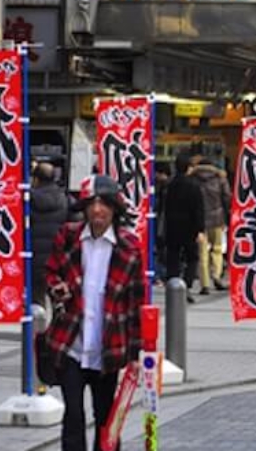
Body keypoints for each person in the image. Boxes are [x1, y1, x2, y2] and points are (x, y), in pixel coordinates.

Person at [38, 176, 146, 451]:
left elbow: (136, 304)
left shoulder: (129, 247)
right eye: (92, 204)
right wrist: (57, 288)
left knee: (106, 416)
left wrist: (136, 354)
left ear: (114, 208)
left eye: (104, 204)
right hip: (71, 341)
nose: (98, 210)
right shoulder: (69, 236)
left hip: (108, 346)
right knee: (73, 413)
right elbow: (50, 271)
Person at [162, 153, 204, 300]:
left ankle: (172, 285)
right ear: (188, 168)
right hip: (190, 227)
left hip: (172, 226)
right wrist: (200, 229)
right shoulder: (194, 186)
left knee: (173, 256)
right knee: (192, 258)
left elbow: (165, 207)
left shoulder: (170, 185)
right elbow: (198, 209)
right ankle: (186, 285)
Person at [30, 162, 71, 306]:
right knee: (57, 297)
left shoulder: (29, 200)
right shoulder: (65, 199)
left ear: (36, 179)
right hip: (57, 256)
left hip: (34, 257)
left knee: (36, 300)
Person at [191, 154, 231, 292]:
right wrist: (226, 216)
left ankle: (205, 284)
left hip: (199, 221)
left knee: (202, 251)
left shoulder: (193, 178)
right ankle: (216, 275)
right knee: (217, 249)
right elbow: (227, 198)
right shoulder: (220, 178)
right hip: (217, 218)